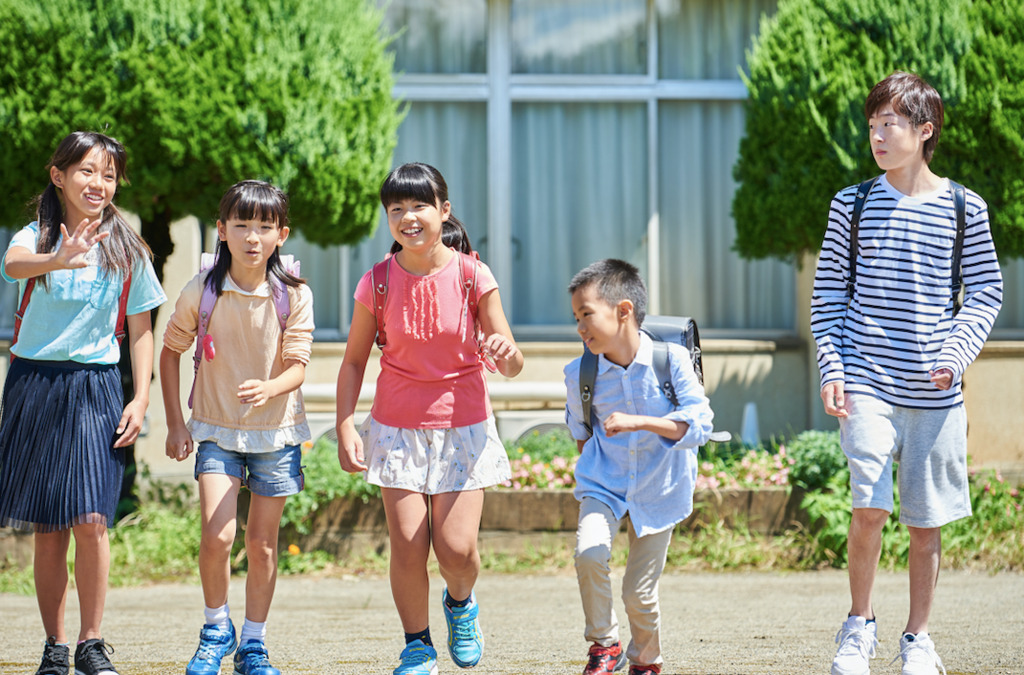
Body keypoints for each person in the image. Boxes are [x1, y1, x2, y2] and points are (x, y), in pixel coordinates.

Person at [811, 72, 1002, 675]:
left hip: (935, 393)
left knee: (925, 522)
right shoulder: (852, 204)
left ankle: (917, 638)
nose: (877, 135)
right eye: (872, 125)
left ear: (925, 131)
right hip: (866, 382)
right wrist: (832, 368)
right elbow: (828, 297)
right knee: (868, 505)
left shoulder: (966, 207)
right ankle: (858, 626)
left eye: (889, 124)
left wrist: (955, 354)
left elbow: (985, 293)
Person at [336, 162, 523, 675]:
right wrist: (346, 423)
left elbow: (511, 361)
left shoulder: (473, 275)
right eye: (396, 208)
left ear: (444, 210)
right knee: (409, 546)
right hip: (396, 429)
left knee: (457, 551)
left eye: (419, 205)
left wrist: (506, 353)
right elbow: (353, 361)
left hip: (464, 428)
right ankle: (417, 646)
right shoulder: (376, 282)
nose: (408, 217)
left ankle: (460, 605)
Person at [0, 131, 166, 675]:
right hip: (35, 383)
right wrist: (58, 258)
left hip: (97, 386)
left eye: (109, 175)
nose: (99, 183)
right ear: (59, 176)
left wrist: (141, 397)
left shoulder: (127, 247)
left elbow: (141, 329)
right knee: (49, 525)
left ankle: (92, 644)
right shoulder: (36, 235)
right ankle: (55, 646)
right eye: (87, 171)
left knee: (92, 519)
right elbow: (13, 266)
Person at [161, 180, 314, 675]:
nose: (252, 236)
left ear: (281, 235)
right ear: (222, 230)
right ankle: (214, 629)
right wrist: (175, 424)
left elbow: (298, 366)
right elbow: (169, 353)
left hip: (277, 432)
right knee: (217, 536)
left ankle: (253, 644)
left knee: (262, 545)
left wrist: (271, 388)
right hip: (215, 430)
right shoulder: (202, 290)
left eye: (264, 227)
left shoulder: (294, 294)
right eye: (241, 224)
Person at [563, 259, 715, 675]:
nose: (580, 327)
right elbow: (582, 434)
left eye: (587, 314)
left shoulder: (672, 361)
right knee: (589, 554)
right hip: (604, 483)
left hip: (659, 485)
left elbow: (700, 425)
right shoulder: (580, 373)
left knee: (638, 592)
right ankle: (604, 644)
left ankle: (646, 660)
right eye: (576, 318)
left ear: (624, 311)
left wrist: (640, 422)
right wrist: (597, 474)